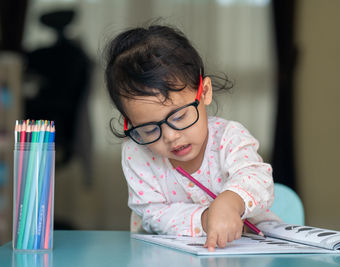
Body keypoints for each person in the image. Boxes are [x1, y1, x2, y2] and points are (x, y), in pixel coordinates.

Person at [104, 24, 280, 251]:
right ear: (130, 122)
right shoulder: (137, 152)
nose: (170, 136)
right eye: (148, 129)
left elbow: (258, 179)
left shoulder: (229, 137)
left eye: (178, 116)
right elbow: (151, 212)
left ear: (204, 92)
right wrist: (205, 219)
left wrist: (231, 202)